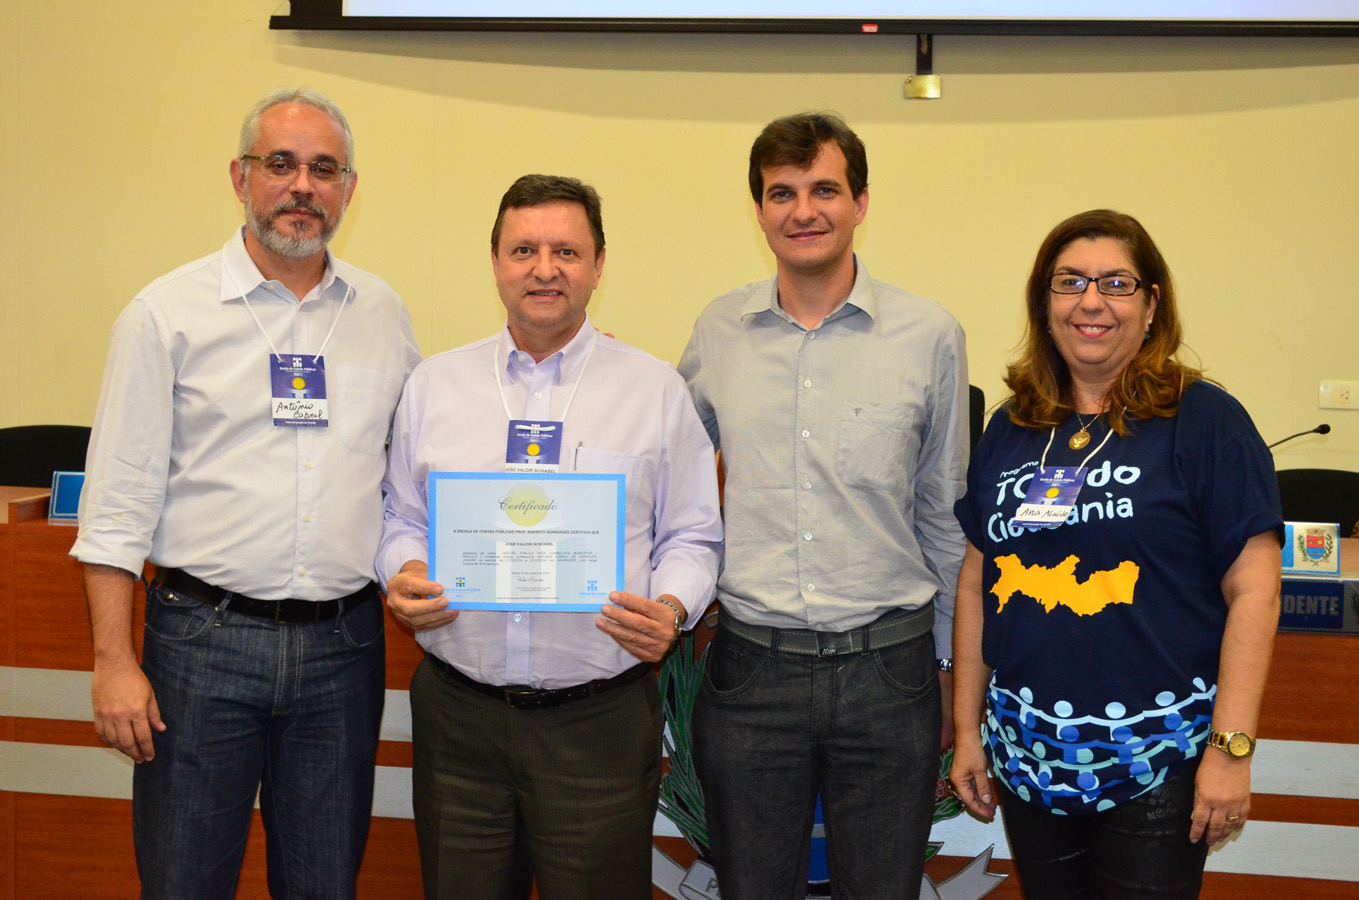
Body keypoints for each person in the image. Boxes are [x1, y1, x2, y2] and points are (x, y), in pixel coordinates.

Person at [71, 87, 421, 900]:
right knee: (185, 881)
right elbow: (115, 507)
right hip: (204, 644)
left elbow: (419, 459)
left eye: (324, 169)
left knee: (323, 883)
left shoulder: (381, 312)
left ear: (348, 189)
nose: (302, 186)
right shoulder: (164, 314)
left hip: (342, 649)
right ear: (240, 177)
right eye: (281, 164)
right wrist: (113, 661)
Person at [377, 174, 723, 900]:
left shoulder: (655, 389)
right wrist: (403, 571)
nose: (544, 269)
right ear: (495, 262)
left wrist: (670, 608)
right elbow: (402, 517)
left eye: (566, 251)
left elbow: (693, 533)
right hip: (460, 718)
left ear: (598, 264)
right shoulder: (435, 384)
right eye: (523, 250)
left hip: (598, 722)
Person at [949, 209, 1282, 899]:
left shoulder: (1204, 420)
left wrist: (1230, 751)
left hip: (1159, 756)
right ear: (1044, 304)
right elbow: (978, 580)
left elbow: (1255, 591)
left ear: (1152, 304)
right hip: (1028, 756)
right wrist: (966, 729)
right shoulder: (1012, 426)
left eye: (1116, 283)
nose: (1090, 301)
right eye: (1069, 281)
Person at [679, 112, 968, 900]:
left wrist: (951, 671)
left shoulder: (928, 334)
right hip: (751, 674)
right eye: (782, 193)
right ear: (758, 209)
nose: (802, 211)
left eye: (824, 190)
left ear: (860, 202)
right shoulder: (717, 330)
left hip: (891, 675)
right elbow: (667, 486)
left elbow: (943, 517)